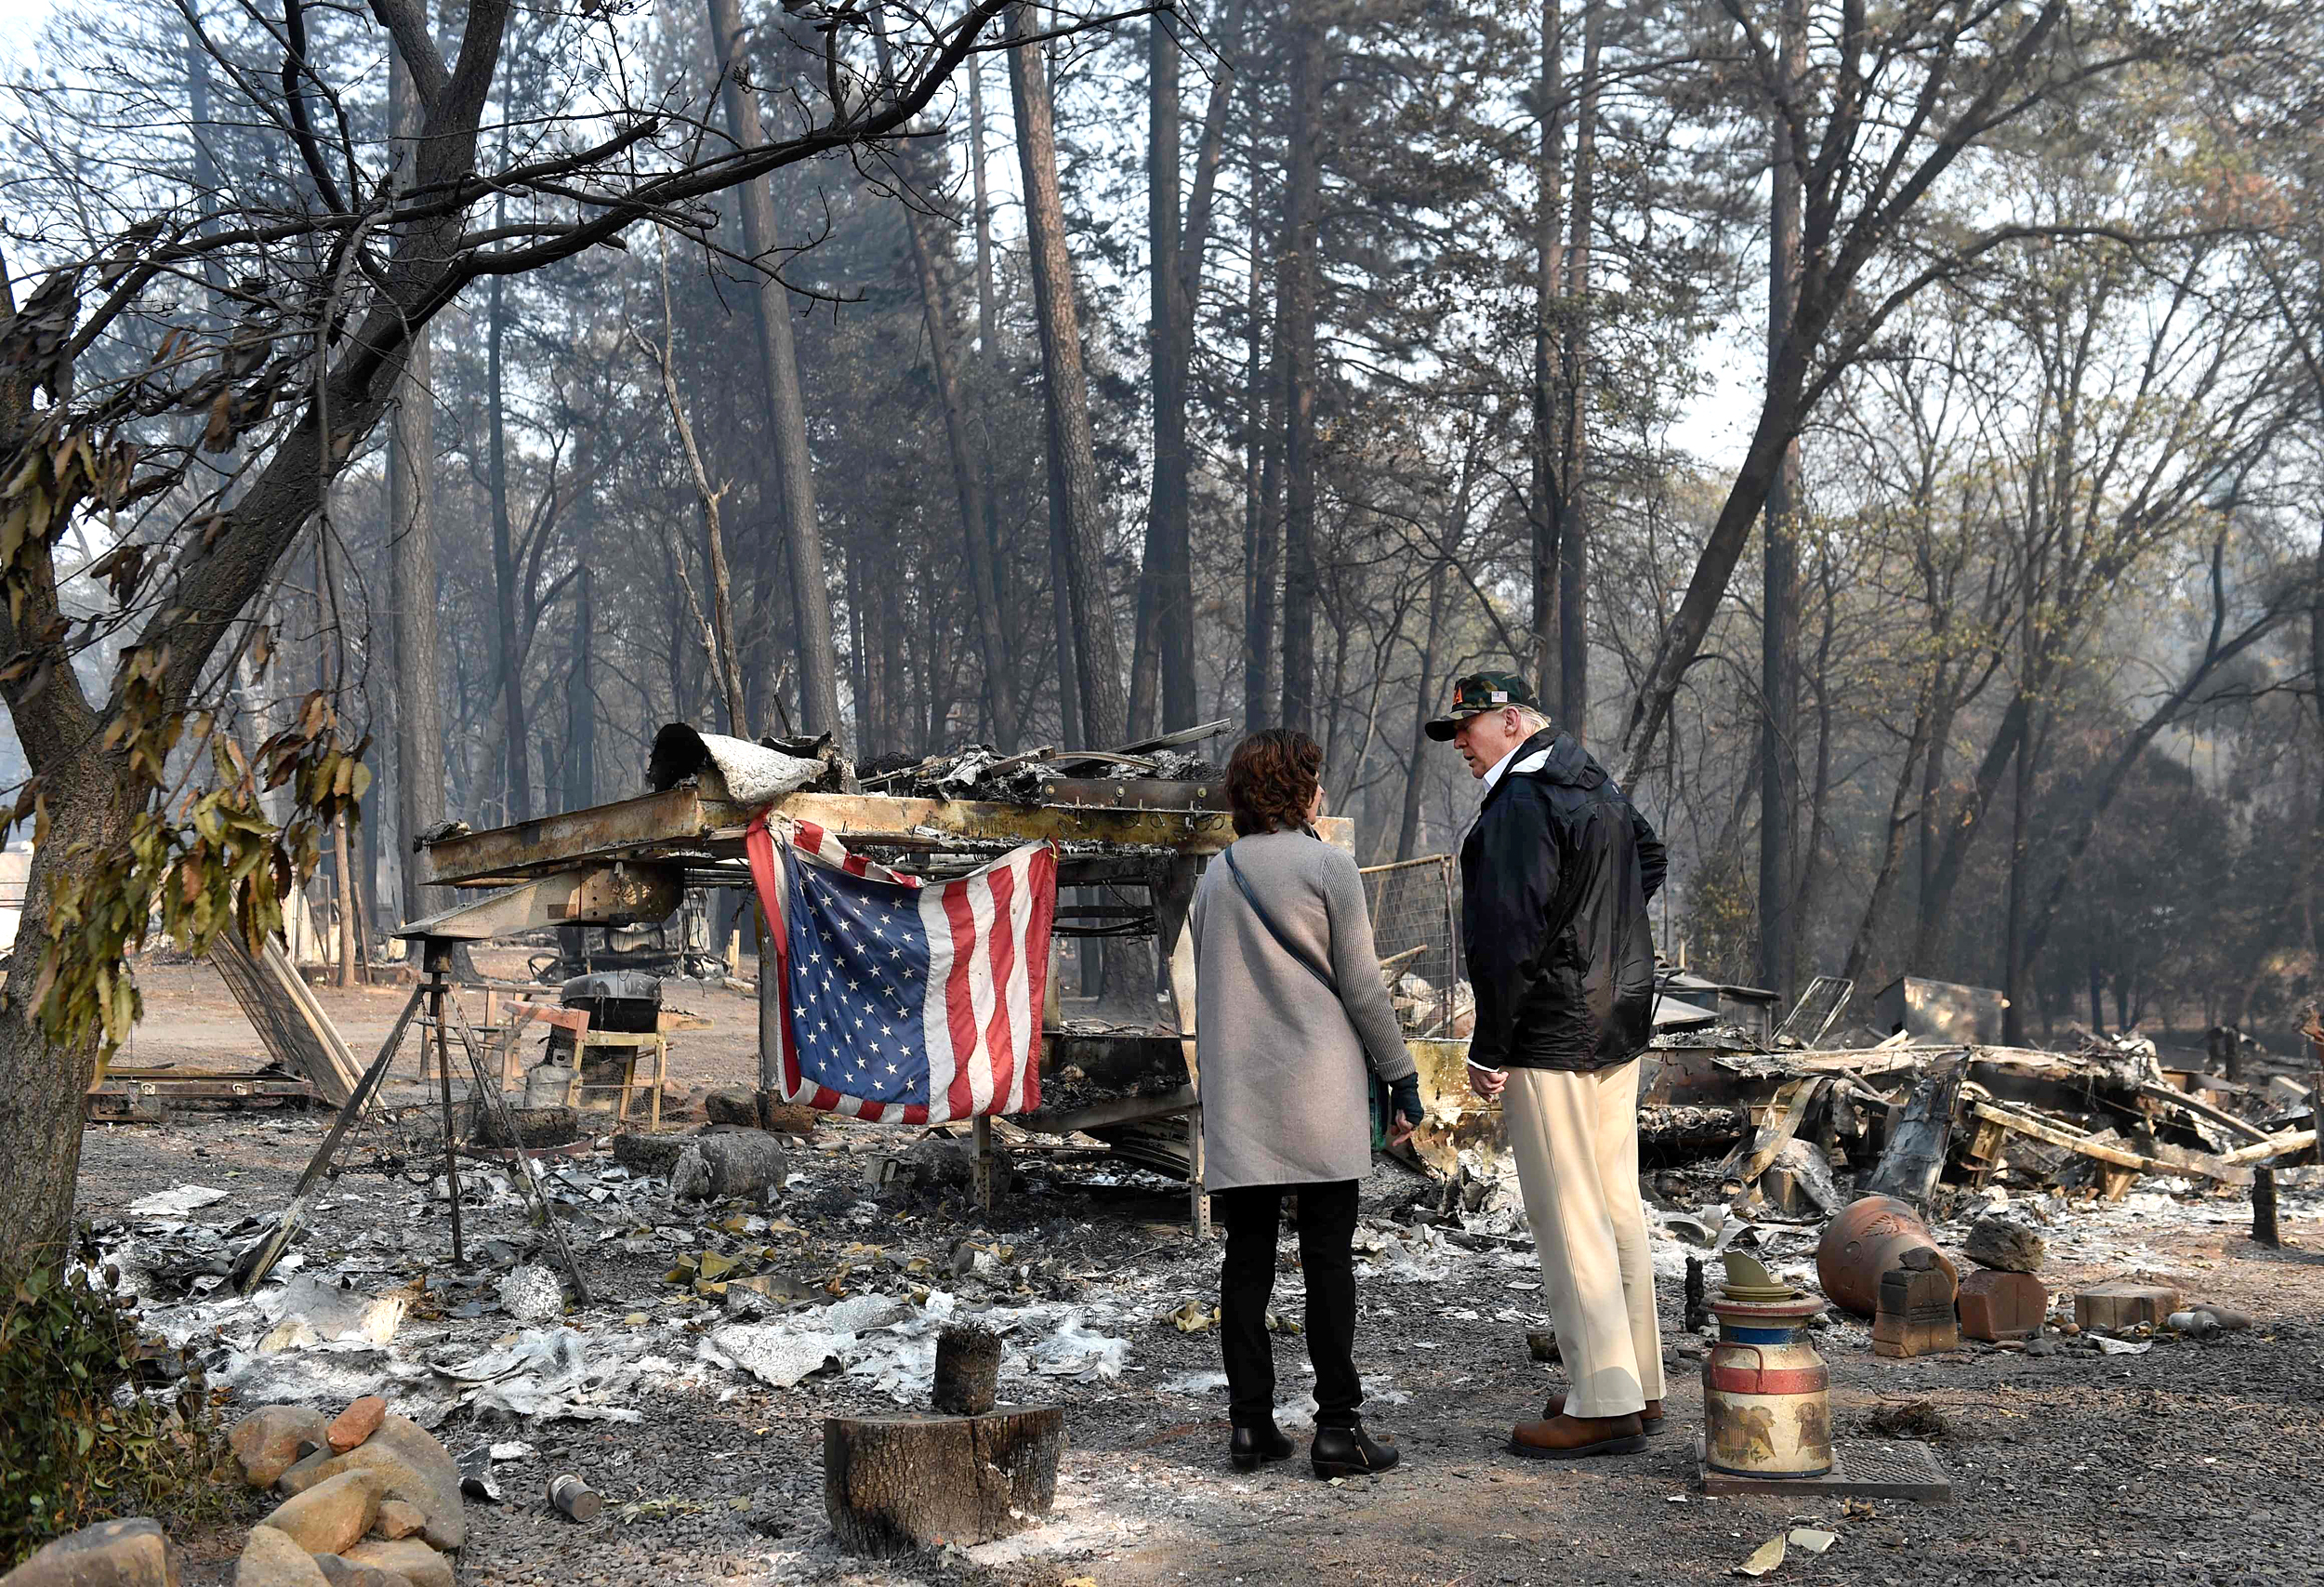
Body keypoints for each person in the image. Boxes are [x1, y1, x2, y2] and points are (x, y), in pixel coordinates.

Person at [1425, 672, 1668, 1461]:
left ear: (1511, 721)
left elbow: (1508, 938)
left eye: (1467, 727)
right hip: (1615, 1016)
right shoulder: (1588, 777)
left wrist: (1489, 1045)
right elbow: (1649, 856)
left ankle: (1601, 1399)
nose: (1460, 744)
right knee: (1615, 1203)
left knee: (1568, 1213)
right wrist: (1601, 940)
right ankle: (1636, 1382)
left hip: (1552, 1029)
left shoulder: (1520, 803)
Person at [1190, 727, 1426, 1478]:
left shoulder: (1215, 876)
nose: (1323, 790)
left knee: (1246, 1260)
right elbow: (1362, 987)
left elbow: (1208, 981)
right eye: (1315, 779)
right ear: (1296, 790)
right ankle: (1336, 1429)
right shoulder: (1329, 865)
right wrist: (1400, 1074)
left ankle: (1250, 1425)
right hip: (1320, 1092)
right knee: (1328, 1260)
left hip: (1241, 1097)